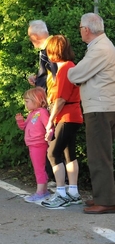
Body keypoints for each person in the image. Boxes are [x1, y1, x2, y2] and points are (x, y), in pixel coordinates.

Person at [68, 13, 115, 214]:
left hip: (100, 108)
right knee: (101, 154)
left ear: (86, 29)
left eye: (80, 27)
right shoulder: (102, 46)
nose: (80, 30)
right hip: (103, 106)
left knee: (99, 155)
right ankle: (103, 196)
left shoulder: (100, 49)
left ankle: (105, 201)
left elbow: (76, 74)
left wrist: (71, 74)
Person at [39, 35, 83, 209]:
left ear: (54, 50)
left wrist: (50, 121)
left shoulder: (65, 69)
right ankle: (73, 191)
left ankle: (61, 193)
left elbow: (61, 99)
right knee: (68, 154)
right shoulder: (70, 66)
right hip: (73, 116)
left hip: (66, 116)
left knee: (52, 153)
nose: (47, 53)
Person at [27, 20, 59, 185]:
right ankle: (50, 178)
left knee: (49, 139)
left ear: (34, 36)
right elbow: (48, 75)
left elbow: (56, 77)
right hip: (47, 102)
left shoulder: (51, 48)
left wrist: (52, 100)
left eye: (30, 37)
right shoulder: (47, 49)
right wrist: (37, 78)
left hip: (51, 103)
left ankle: (54, 180)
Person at [15, 87, 51, 203]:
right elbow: (24, 127)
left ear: (36, 100)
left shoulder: (42, 112)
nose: (25, 104)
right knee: (39, 167)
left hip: (38, 143)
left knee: (38, 168)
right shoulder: (32, 114)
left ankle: (41, 192)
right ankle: (43, 190)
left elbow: (48, 126)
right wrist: (20, 121)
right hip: (33, 144)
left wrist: (49, 135)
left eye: (27, 101)